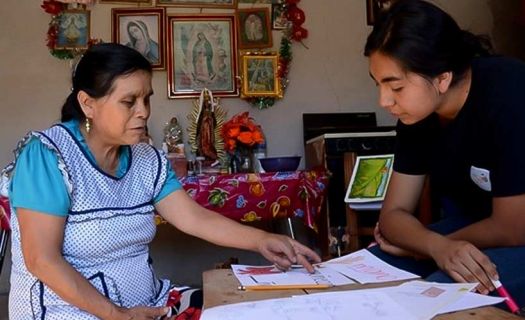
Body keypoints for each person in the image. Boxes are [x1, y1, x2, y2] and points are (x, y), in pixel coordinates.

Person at [1, 43, 320, 319]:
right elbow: (42, 259)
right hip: (69, 313)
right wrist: (117, 315)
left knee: (246, 311)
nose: (143, 112)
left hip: (148, 305)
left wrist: (261, 241)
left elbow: (193, 218)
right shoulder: (47, 156)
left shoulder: (145, 159)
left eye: (147, 99)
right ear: (88, 104)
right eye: (129, 102)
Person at [364, 0, 525, 310]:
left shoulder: (510, 92)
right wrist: (434, 245)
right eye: (379, 84)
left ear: (442, 78)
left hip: (516, 231)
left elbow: (513, 226)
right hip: (476, 225)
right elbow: (393, 215)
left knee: (434, 296)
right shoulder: (417, 115)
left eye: (395, 86)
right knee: (371, 267)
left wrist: (428, 249)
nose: (384, 100)